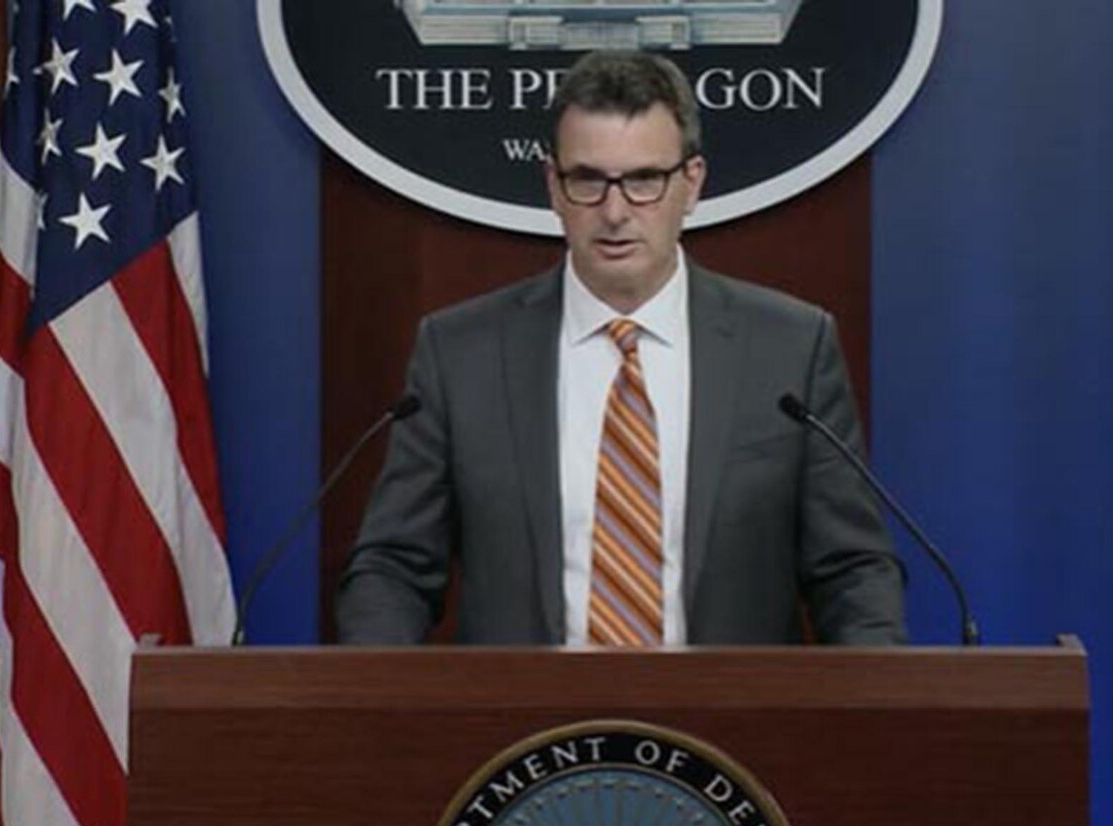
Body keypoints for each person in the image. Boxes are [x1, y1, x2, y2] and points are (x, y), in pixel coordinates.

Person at [336, 50, 906, 646]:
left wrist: (876, 707)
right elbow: (394, 567)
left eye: (643, 180)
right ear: (553, 186)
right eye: (588, 180)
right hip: (525, 728)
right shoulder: (461, 353)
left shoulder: (790, 347)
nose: (614, 212)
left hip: (732, 727)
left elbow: (850, 570)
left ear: (691, 183)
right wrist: (373, 701)